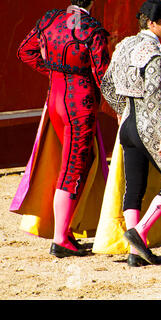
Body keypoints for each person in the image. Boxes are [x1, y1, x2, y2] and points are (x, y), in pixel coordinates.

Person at [11, 0, 110, 258]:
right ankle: (60, 238)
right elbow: (102, 76)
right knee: (74, 165)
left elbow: (25, 51)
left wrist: (57, 71)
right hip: (80, 103)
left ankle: (65, 231)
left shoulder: (50, 19)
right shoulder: (92, 30)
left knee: (75, 162)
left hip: (54, 98)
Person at [97, 0, 161, 267]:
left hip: (127, 125)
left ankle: (135, 254)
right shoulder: (155, 55)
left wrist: (122, 112)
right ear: (150, 23)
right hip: (148, 126)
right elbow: (153, 100)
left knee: (133, 188)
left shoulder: (123, 45)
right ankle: (139, 234)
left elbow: (106, 84)